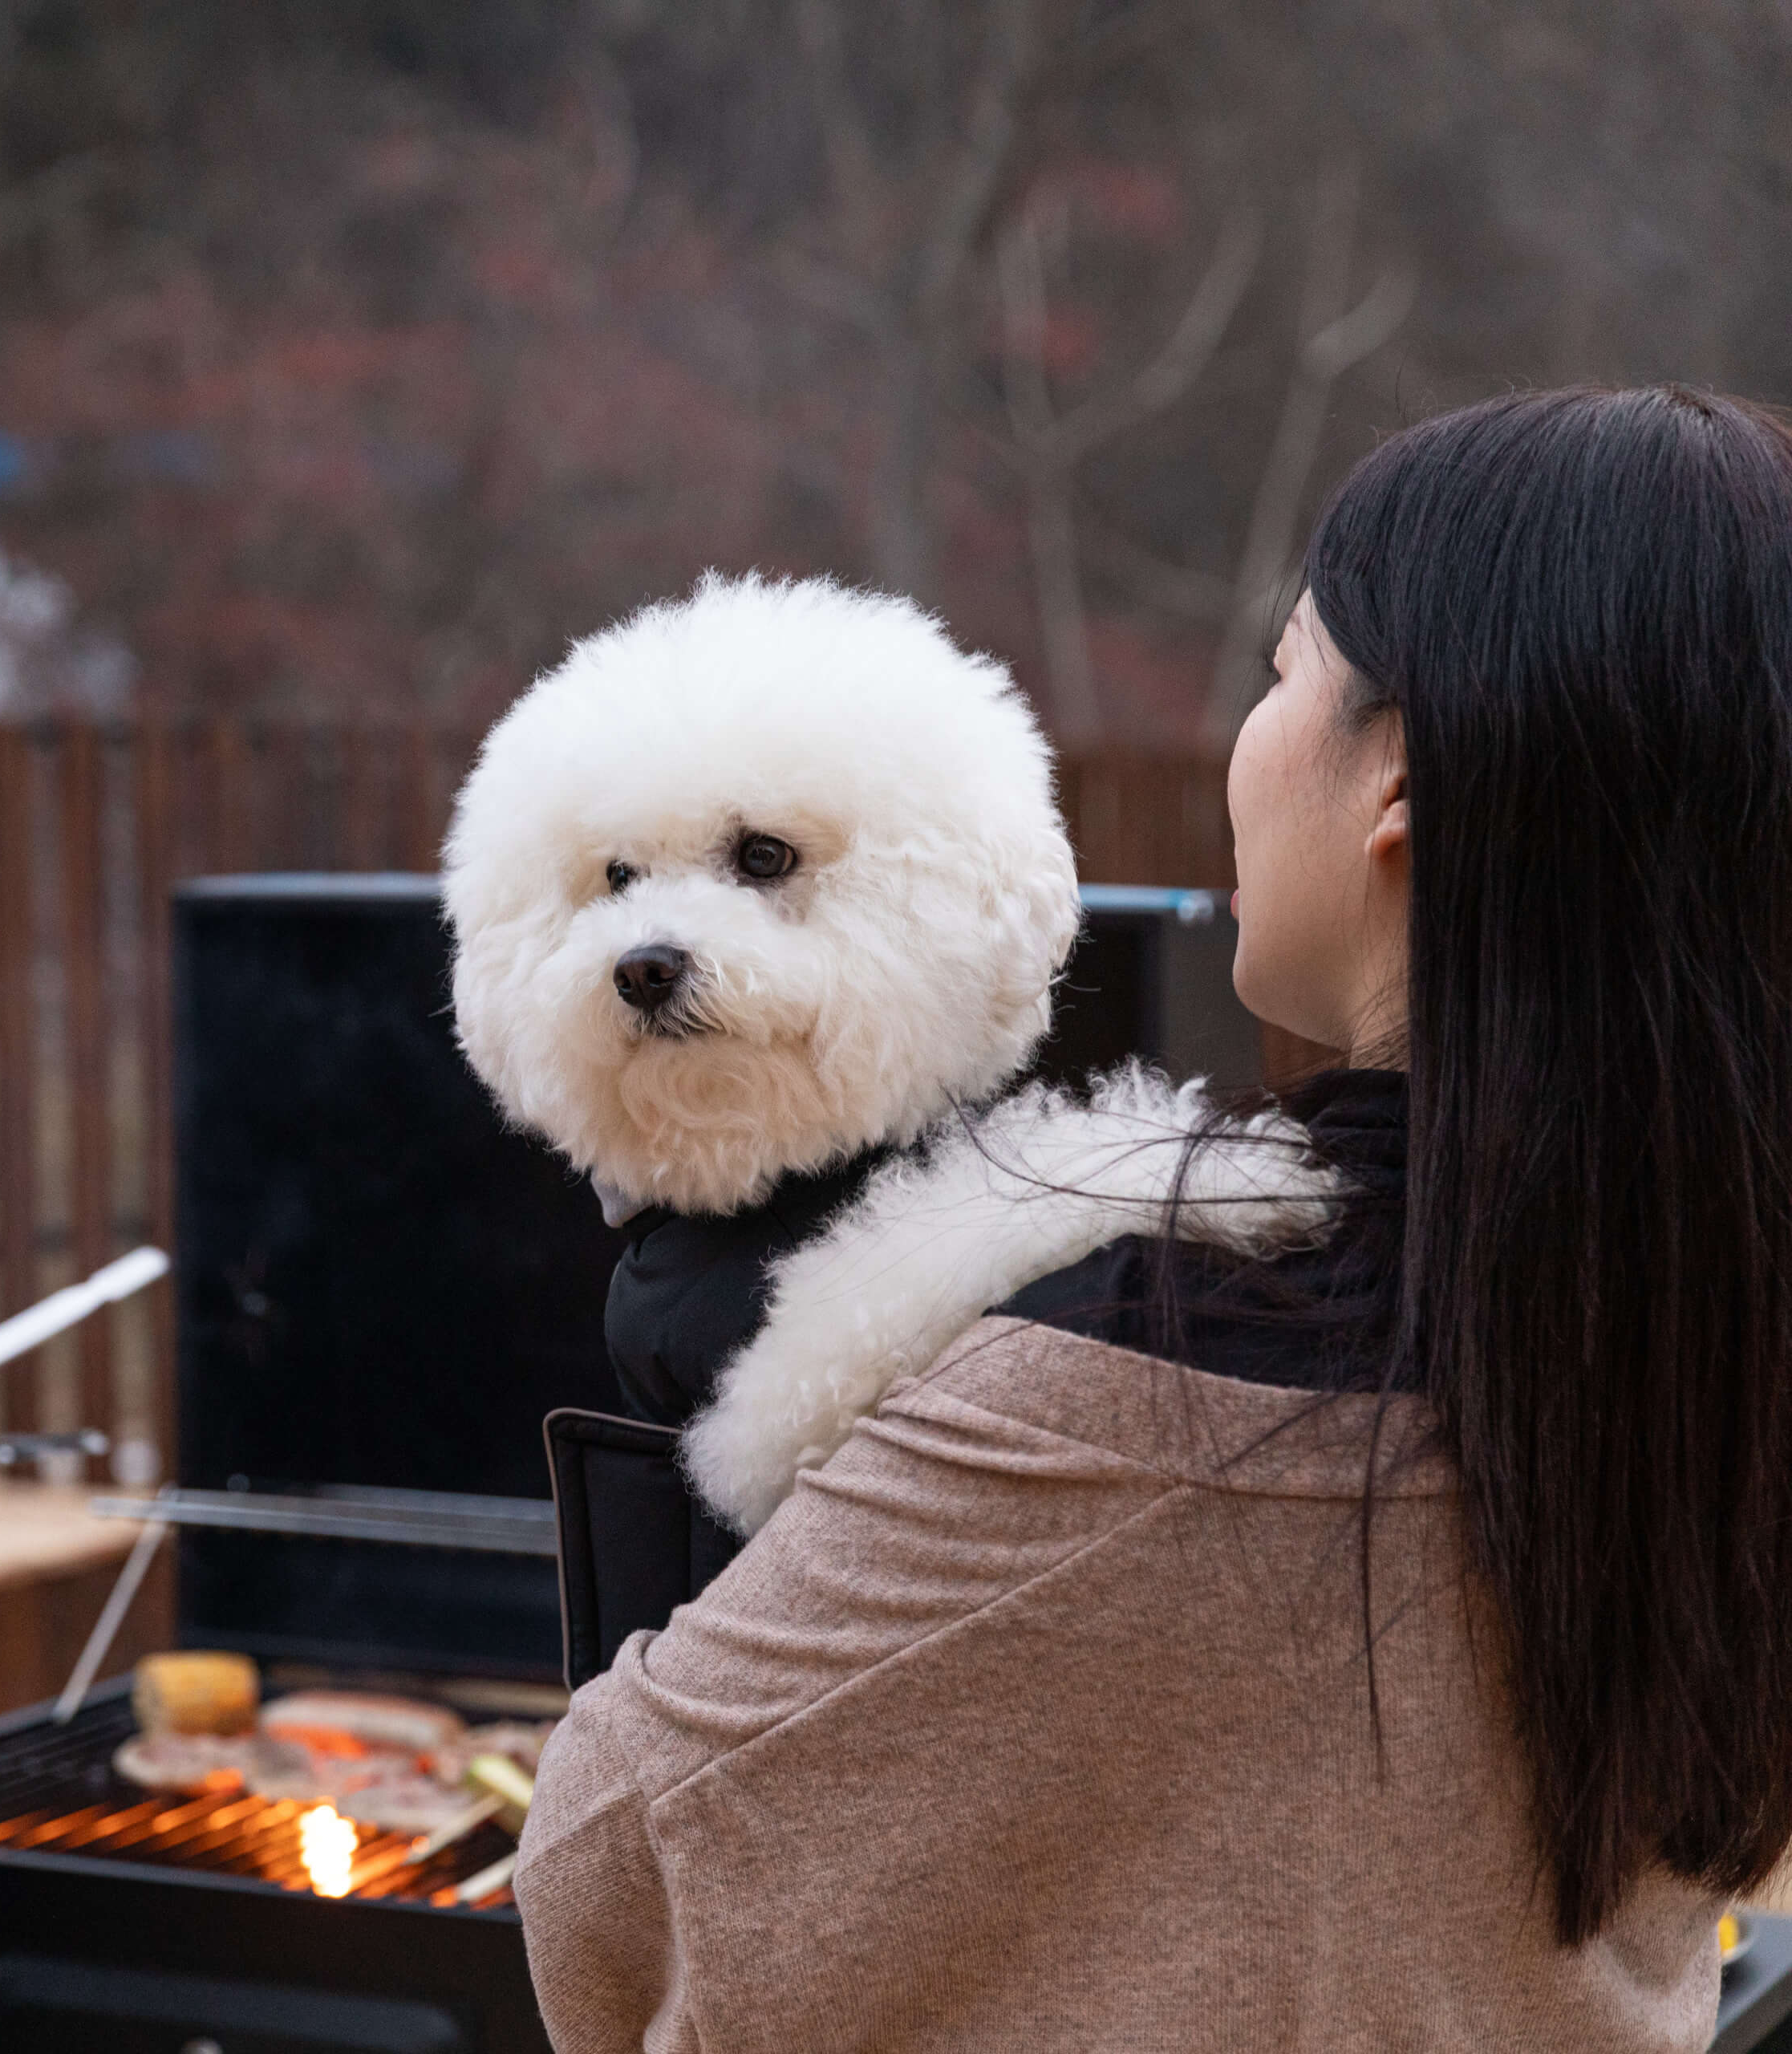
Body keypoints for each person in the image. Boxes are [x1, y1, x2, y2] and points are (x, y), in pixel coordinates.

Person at [516, 386, 1792, 2049]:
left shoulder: (1128, 1400)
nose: (1249, 737)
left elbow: (613, 1859)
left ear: (1396, 777)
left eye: (1284, 673)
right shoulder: (1708, 1354)